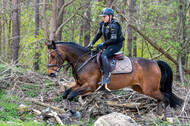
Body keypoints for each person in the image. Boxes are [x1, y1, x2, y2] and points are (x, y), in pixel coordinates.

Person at [88, 8, 124, 85]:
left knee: (104, 55)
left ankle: (106, 77)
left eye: (105, 16)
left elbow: (113, 40)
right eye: (103, 16)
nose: (103, 18)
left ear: (110, 16)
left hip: (116, 44)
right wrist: (92, 43)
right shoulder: (103, 24)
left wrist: (103, 44)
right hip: (108, 43)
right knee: (95, 52)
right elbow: (98, 34)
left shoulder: (114, 25)